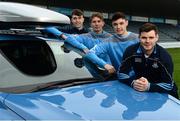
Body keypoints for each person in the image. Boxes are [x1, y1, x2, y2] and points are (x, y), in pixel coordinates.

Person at [118, 23, 178, 99]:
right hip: (140, 90)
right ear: (139, 37)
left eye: (151, 37)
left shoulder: (164, 57)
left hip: (163, 94)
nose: (147, 41)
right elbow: (121, 73)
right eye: (144, 37)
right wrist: (133, 83)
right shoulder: (131, 51)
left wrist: (149, 86)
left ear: (157, 38)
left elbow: (169, 85)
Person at [83, 12, 138, 78]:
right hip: (121, 80)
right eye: (115, 24)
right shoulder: (108, 42)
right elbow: (89, 54)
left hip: (140, 79)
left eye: (121, 23)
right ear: (112, 25)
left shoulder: (138, 38)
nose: (118, 27)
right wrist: (104, 64)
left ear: (126, 23)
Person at [44, 12, 112, 53]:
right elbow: (48, 28)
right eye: (75, 18)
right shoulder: (70, 34)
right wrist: (62, 35)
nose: (96, 24)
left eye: (79, 18)